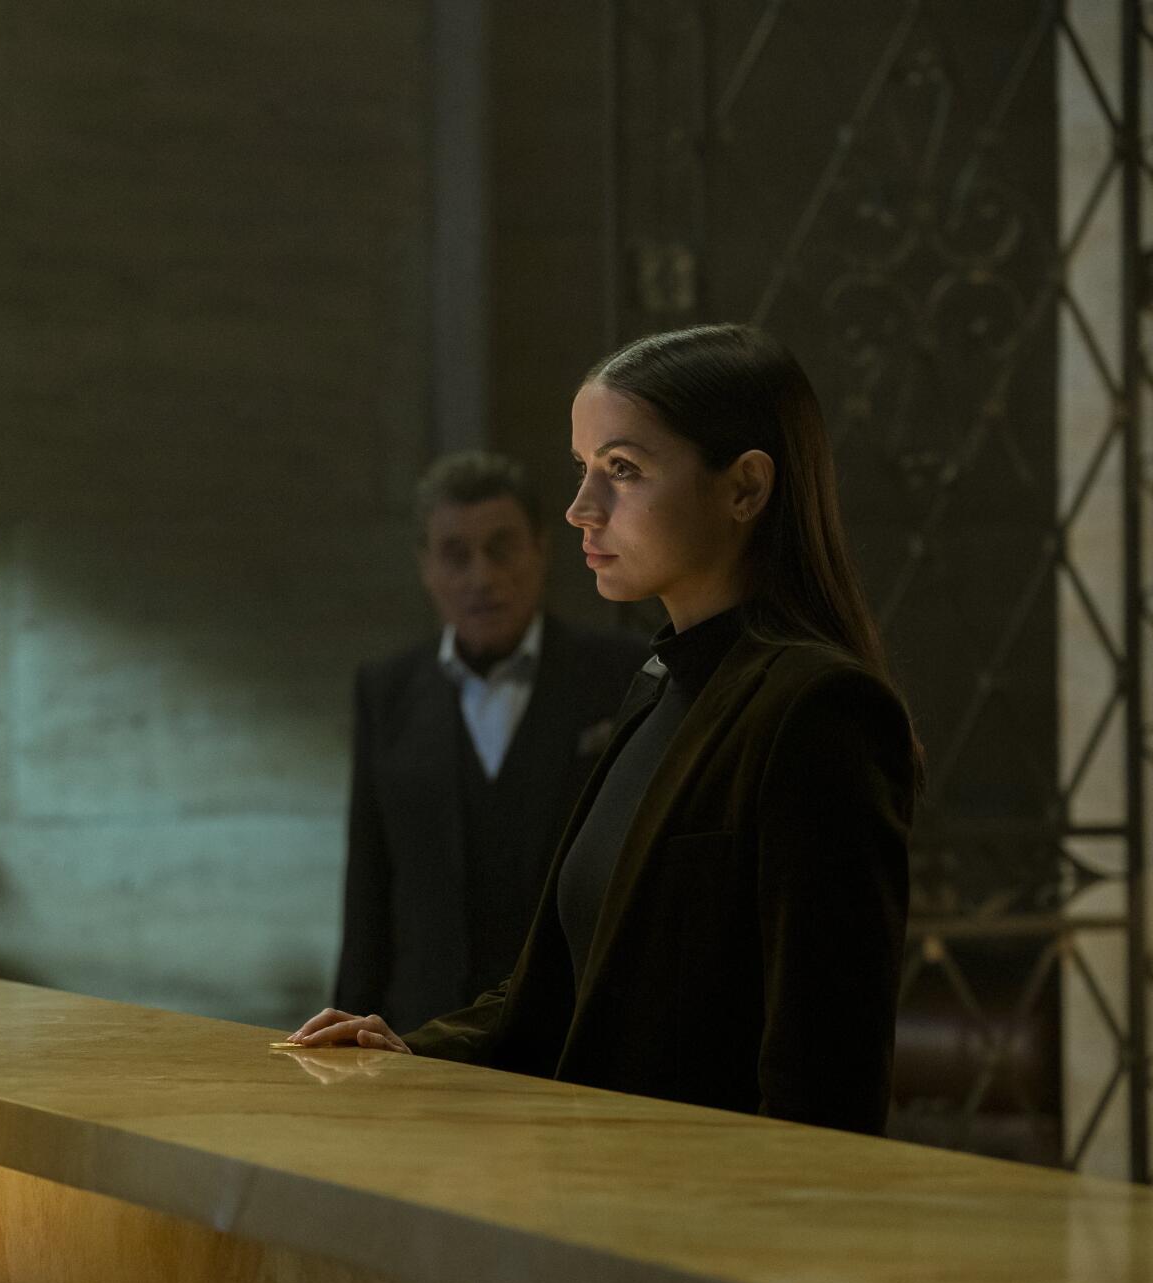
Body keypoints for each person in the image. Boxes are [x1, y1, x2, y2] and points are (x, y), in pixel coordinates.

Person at [292, 324, 919, 1137]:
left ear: (745, 488)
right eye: (583, 468)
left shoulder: (820, 707)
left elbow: (823, 1075)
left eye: (622, 470)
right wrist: (407, 1048)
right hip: (594, 1197)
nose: (582, 507)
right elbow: (556, 994)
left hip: (706, 1222)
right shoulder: (658, 681)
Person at [333, 453, 643, 1034]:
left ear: (542, 550)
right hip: (419, 1032)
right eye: (456, 556)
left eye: (501, 548)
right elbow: (368, 890)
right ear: (426, 568)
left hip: (570, 1031)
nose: (481, 577)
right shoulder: (388, 692)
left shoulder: (620, 676)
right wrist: (349, 1026)